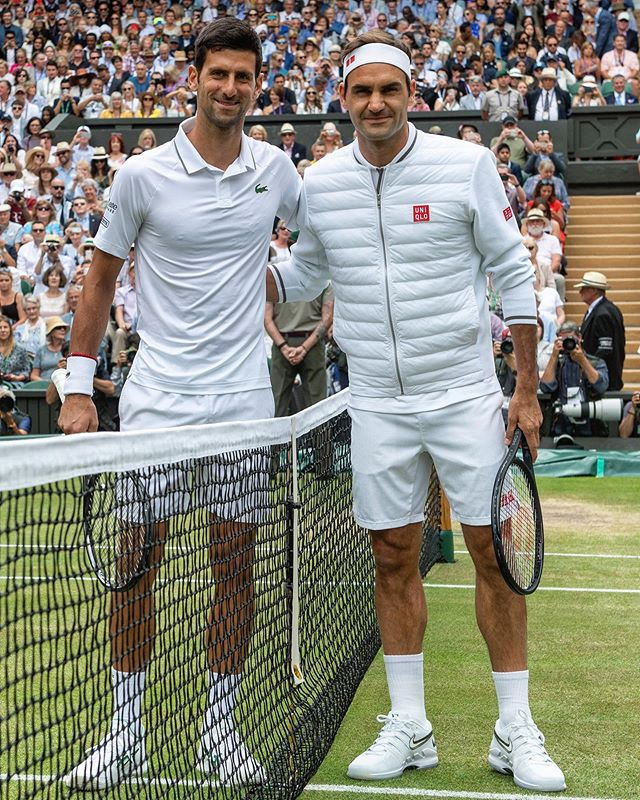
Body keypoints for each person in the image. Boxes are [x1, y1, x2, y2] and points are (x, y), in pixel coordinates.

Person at [267, 30, 565, 793]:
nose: (375, 104)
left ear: (410, 97)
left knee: (493, 553)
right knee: (392, 555)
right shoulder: (321, 180)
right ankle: (410, 726)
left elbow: (512, 272)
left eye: (388, 91)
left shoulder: (464, 166)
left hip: (465, 393)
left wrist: (524, 388)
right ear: (345, 99)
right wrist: (227, 259)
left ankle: (514, 729)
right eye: (361, 92)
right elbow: (302, 276)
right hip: (375, 400)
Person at [59, 18, 302, 793]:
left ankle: (217, 735)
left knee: (234, 568)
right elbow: (98, 281)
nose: (230, 88)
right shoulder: (141, 176)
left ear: (257, 84)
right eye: (217, 74)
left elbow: (317, 248)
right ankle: (124, 734)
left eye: (243, 76)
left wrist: (279, 288)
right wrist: (75, 387)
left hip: (240, 400)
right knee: (137, 566)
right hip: (156, 401)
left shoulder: (277, 170)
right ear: (191, 78)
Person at [265, 283, 333, 416]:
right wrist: (304, 348)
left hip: (282, 343)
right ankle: (318, 437)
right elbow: (328, 318)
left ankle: (278, 436)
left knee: (276, 404)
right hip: (312, 342)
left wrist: (283, 347)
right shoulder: (322, 280)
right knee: (317, 405)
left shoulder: (274, 281)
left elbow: (267, 319)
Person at [539, 321, 609, 438]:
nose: (568, 343)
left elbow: (601, 386)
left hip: (591, 424)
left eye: (570, 338)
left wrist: (582, 361)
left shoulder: (596, 362)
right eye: (563, 339)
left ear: (580, 338)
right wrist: (554, 356)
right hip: (561, 424)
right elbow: (546, 387)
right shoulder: (558, 363)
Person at [575, 270, 626, 391]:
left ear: (593, 290)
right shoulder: (603, 309)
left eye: (584, 288)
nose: (580, 291)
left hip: (603, 380)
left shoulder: (602, 313)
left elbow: (605, 349)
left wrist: (588, 367)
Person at [0, 313, 30, 387]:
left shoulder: (20, 349)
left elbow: (26, 371)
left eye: (5, 327)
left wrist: (16, 378)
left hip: (15, 383)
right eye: (0, 328)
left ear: (10, 329)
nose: (3, 330)